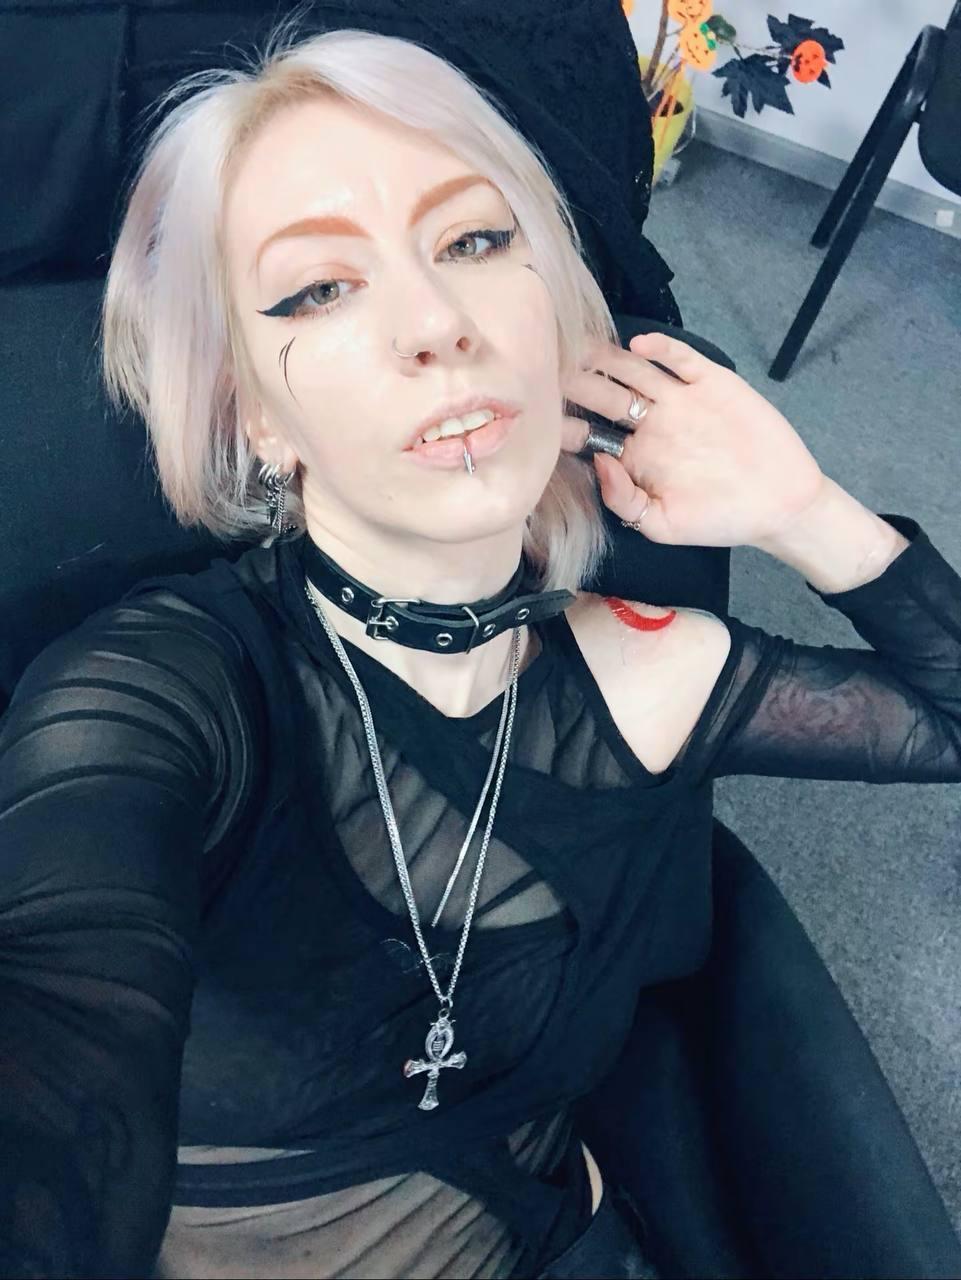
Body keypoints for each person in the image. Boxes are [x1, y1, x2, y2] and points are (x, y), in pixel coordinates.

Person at [1, 19, 959, 1280]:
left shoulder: (645, 673)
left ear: (553, 309)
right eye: (317, 288)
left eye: (473, 241)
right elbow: (57, 1058)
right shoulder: (158, 695)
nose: (436, 321)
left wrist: (804, 511)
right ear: (256, 415)